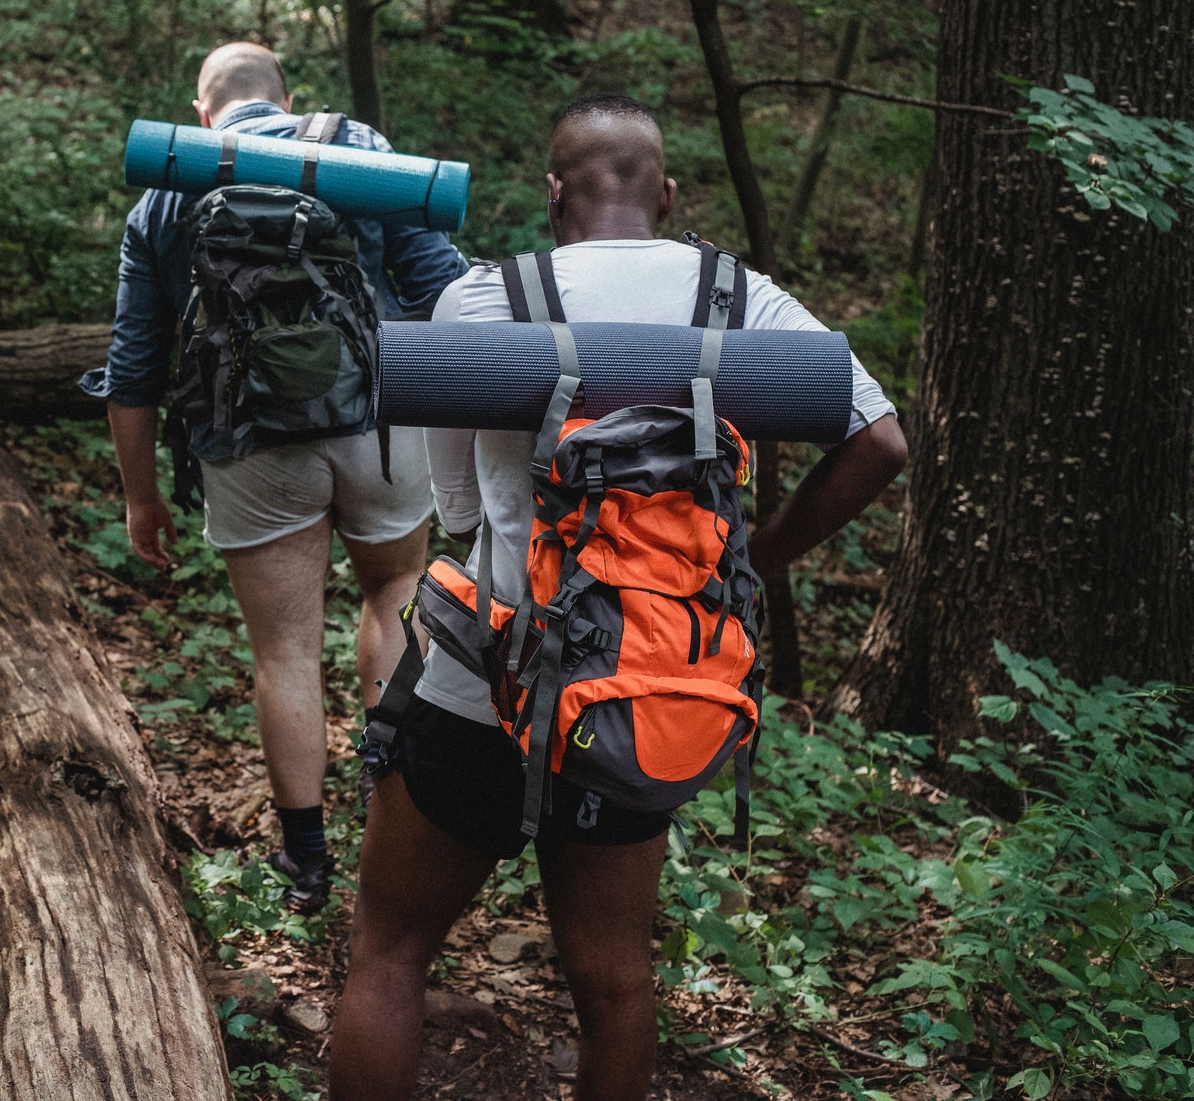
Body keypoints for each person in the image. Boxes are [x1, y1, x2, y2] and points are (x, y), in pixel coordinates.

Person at [329, 94, 908, 1100]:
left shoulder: (485, 297)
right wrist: (754, 562)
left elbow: (462, 510)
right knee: (614, 980)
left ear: (554, 193)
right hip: (637, 690)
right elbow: (882, 439)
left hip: (483, 685)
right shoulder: (739, 297)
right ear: (668, 193)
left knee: (389, 951)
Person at [81, 42, 468, 910]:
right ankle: (390, 820)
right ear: (290, 98)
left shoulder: (166, 191)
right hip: (379, 421)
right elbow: (441, 287)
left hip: (247, 438)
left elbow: (135, 364)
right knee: (394, 589)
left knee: (284, 648)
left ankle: (304, 866)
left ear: (201, 110)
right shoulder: (356, 151)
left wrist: (142, 495)